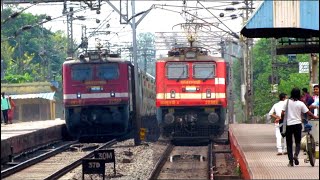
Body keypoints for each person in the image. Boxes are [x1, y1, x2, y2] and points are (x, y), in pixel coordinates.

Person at [281, 88, 319, 167]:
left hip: (288, 125)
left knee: (289, 143)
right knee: (298, 142)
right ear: (298, 94)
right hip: (297, 125)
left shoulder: (286, 102)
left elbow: (282, 113)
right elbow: (308, 112)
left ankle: (291, 161)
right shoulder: (301, 103)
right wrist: (314, 116)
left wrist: (282, 118)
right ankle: (296, 155)